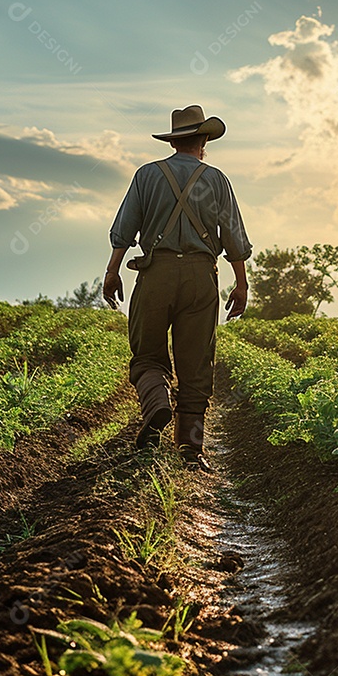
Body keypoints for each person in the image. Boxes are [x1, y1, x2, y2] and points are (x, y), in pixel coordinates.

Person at [103, 105, 251, 470]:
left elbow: (124, 228)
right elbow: (233, 236)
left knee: (148, 355)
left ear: (174, 141)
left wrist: (112, 270)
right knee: (196, 363)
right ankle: (191, 449)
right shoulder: (216, 180)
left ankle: (156, 405)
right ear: (202, 141)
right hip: (202, 278)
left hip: (155, 274)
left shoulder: (146, 175)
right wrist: (242, 284)